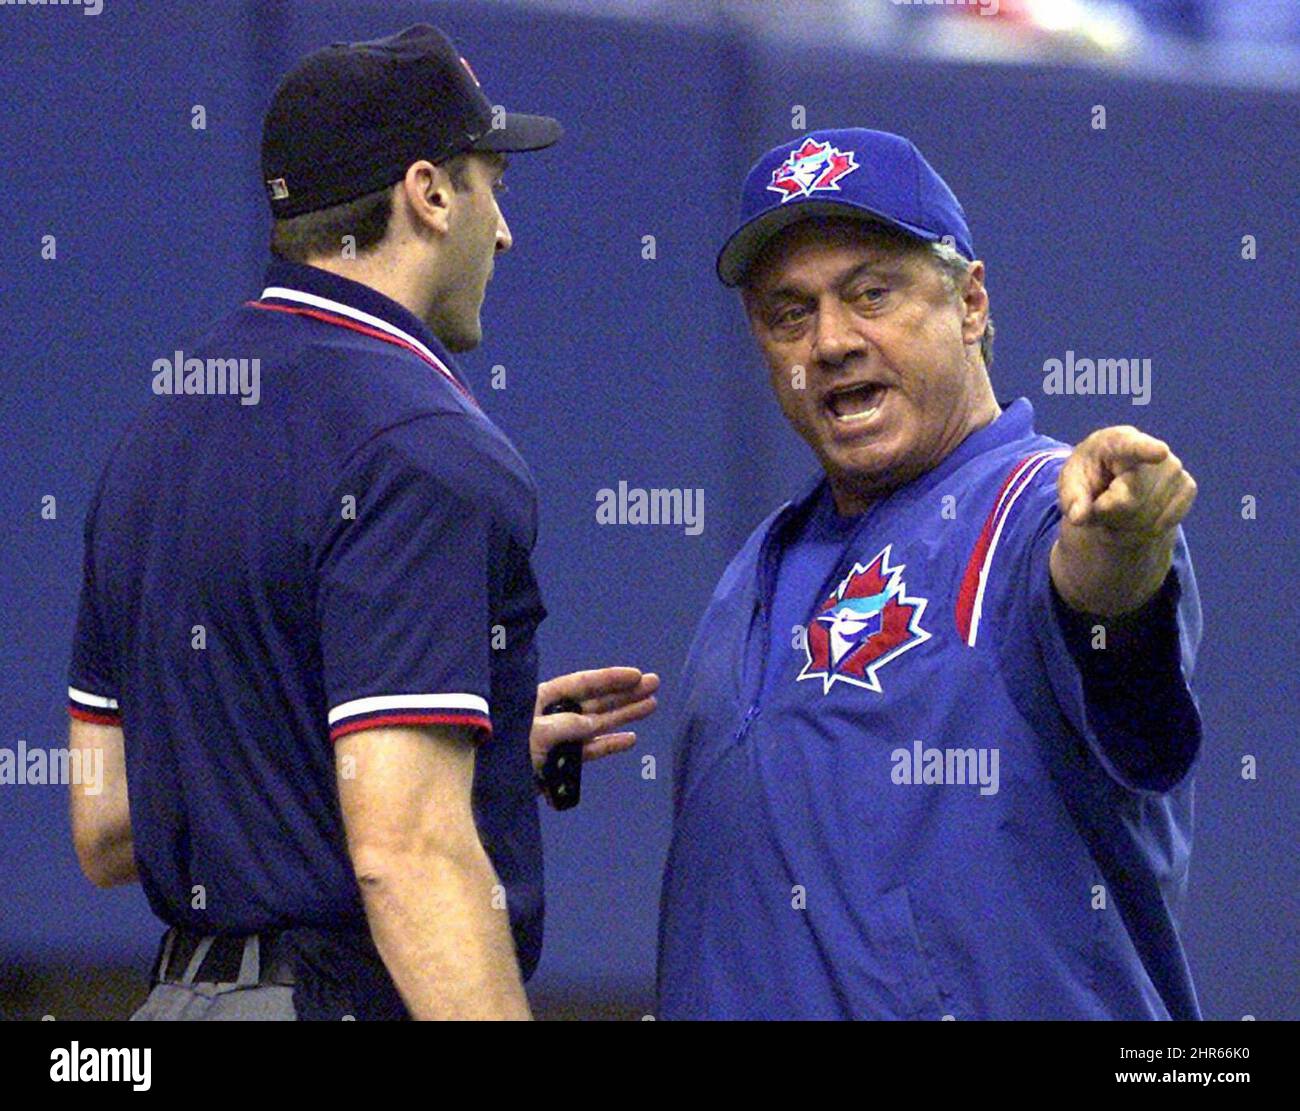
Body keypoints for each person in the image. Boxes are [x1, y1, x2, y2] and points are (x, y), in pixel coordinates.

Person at [66, 23, 657, 1021]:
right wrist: (412, 790)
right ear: (428, 193)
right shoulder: (419, 439)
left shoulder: (155, 435)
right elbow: (411, 855)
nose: (503, 233)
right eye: (491, 186)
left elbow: (110, 826)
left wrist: (446, 737)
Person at [657, 128, 1202, 1020]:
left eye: (872, 292)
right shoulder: (754, 570)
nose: (832, 340)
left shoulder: (1036, 508)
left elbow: (1105, 611)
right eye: (790, 312)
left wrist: (1125, 547)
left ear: (972, 303)